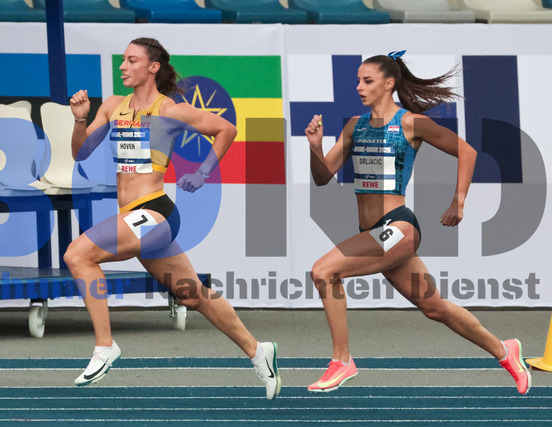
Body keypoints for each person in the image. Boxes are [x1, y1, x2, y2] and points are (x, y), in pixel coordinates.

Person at [304, 50, 531, 395]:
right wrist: (315, 149)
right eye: (358, 81)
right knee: (434, 307)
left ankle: (341, 360)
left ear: (388, 84)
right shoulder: (354, 127)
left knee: (324, 271)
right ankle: (505, 350)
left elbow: (467, 152)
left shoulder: (410, 123)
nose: (359, 87)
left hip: (398, 228)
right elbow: (322, 178)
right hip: (375, 233)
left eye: (367, 81)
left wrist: (458, 201)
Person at [65, 37, 281, 399]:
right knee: (193, 295)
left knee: (77, 255)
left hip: (155, 212)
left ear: (153, 67)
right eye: (123, 60)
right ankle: (259, 351)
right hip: (133, 216)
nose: (122, 66)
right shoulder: (113, 106)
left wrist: (203, 172)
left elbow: (226, 129)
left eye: (131, 60)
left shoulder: (170, 110)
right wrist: (81, 119)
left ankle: (105, 345)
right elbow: (81, 153)